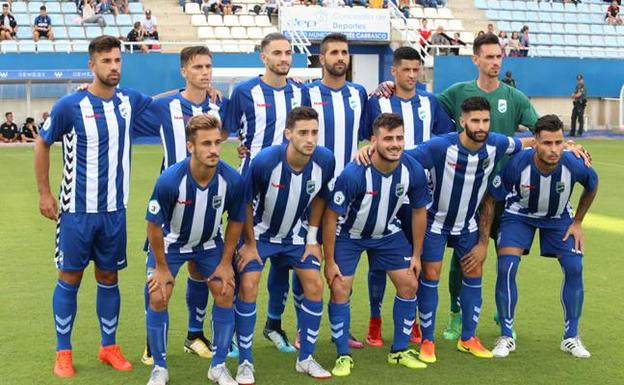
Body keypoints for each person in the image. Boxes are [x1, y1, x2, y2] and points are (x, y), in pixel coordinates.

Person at [34, 35, 153, 378]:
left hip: (114, 211)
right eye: (106, 61)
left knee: (108, 276)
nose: (114, 67)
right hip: (75, 211)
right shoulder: (69, 106)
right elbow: (42, 145)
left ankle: (109, 347)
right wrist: (44, 194)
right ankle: (63, 352)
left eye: (117, 61)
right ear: (92, 65)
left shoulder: (128, 101)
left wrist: (207, 93)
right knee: (69, 276)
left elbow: (166, 102)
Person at [404, 97, 527, 363]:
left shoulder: (495, 143)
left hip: (468, 224)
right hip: (435, 223)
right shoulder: (440, 146)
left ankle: (468, 338)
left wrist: (567, 147)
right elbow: (402, 155)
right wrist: (368, 151)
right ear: (462, 121)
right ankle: (427, 341)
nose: (481, 126)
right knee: (431, 275)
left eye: (485, 120)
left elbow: (527, 143)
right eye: (475, 121)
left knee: (474, 271)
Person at [266, 32, 368, 351]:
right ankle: (299, 329)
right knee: (306, 258)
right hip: (310, 193)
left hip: (348, 194)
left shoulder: (360, 93)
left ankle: (342, 328)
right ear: (321, 59)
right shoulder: (304, 93)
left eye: (345, 52)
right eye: (334, 52)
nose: (340, 57)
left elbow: (371, 132)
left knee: (342, 263)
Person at [136, 46, 229, 367]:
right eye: (198, 67)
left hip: (206, 207)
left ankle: (194, 335)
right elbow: (136, 106)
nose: (205, 72)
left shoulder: (219, 106)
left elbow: (228, 134)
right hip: (168, 208)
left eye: (208, 66)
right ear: (184, 72)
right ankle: (152, 344)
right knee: (157, 278)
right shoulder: (167, 105)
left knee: (200, 272)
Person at [324, 113, 430, 377]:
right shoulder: (354, 173)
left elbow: (419, 211)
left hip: (387, 234)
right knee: (339, 287)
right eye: (388, 139)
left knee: (409, 283)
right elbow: (331, 217)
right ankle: (342, 355)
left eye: (399, 138)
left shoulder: (412, 169)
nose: (395, 144)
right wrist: (329, 260)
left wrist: (416, 255)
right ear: (374, 141)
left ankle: (399, 351)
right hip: (350, 235)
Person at [235, 107, 335, 383]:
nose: (310, 139)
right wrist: (250, 244)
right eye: (303, 133)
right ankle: (245, 361)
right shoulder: (265, 161)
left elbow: (321, 197)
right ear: (287, 133)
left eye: (314, 132)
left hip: (295, 236)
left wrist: (313, 239)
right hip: (260, 235)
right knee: (248, 284)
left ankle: (306, 359)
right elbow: (243, 202)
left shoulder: (325, 160)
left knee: (314, 284)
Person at [223, 32, 308, 355]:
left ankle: (274, 325)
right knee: (241, 261)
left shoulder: (301, 92)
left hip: (291, 192)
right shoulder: (244, 91)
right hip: (251, 192)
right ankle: (229, 331)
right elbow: (223, 131)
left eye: (288, 53)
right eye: (277, 53)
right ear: (263, 56)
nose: (284, 58)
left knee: (285, 263)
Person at [143, 114, 245, 385]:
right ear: (191, 147)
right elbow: (153, 226)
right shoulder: (169, 180)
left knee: (225, 290)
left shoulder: (231, 180)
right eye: (205, 144)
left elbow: (236, 221)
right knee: (158, 295)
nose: (213, 150)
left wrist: (225, 263)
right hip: (170, 245)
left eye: (217, 143)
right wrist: (162, 268)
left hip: (209, 244)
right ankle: (160, 368)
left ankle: (218, 365)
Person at [364, 46, 454, 347]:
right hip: (385, 193)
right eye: (406, 69)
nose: (412, 75)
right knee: (378, 261)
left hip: (419, 195)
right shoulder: (378, 102)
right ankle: (374, 321)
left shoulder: (430, 102)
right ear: (394, 71)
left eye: (417, 70)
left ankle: (411, 320)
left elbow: (445, 139)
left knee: (415, 260)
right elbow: (368, 140)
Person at [489, 115, 598, 359]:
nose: (554, 149)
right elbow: (493, 196)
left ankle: (571, 337)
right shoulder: (518, 163)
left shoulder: (574, 163)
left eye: (559, 142)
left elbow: (592, 183)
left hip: (559, 218)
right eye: (547, 143)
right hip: (519, 215)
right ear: (535, 142)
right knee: (506, 266)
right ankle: (506, 335)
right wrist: (486, 234)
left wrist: (578, 221)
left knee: (575, 267)